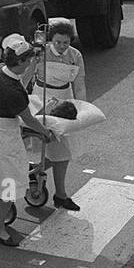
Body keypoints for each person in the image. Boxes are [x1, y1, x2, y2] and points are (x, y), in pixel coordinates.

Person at [0, 35, 55, 247]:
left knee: (7, 177)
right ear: (18, 62)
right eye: (27, 60)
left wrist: (36, 58)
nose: (29, 63)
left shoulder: (0, 69)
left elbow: (22, 78)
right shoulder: (10, 89)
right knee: (8, 183)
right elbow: (27, 118)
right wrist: (45, 132)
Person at [27, 18, 87, 211]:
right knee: (49, 144)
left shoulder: (75, 56)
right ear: (51, 40)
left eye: (66, 43)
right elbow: (25, 76)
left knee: (61, 150)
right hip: (42, 97)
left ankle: (54, 188)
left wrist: (82, 107)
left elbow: (79, 84)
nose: (62, 46)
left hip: (64, 98)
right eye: (58, 42)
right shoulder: (40, 53)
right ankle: (38, 175)